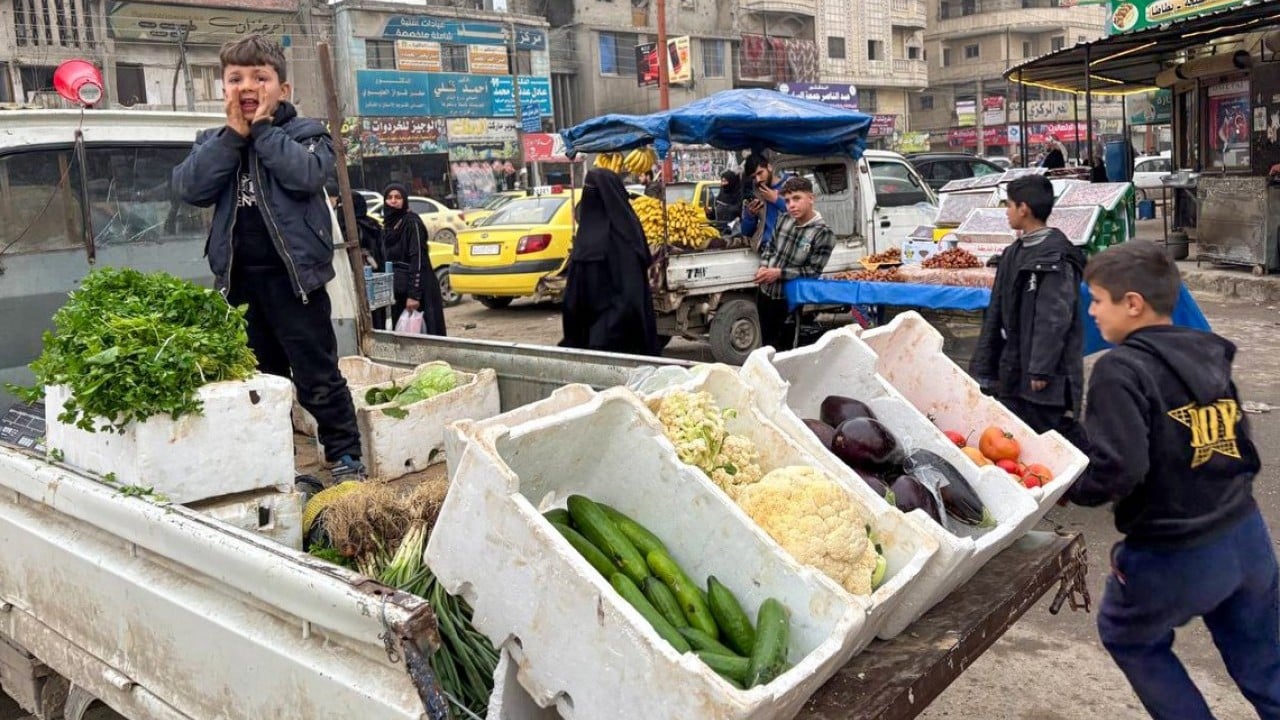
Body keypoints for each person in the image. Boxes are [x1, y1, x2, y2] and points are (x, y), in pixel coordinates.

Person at [1067, 241, 1280, 719]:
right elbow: (1237, 436)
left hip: (1176, 550)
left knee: (1128, 635)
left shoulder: (1119, 369)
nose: (1093, 311)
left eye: (1098, 299)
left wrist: (1065, 486)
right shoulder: (1208, 351)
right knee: (1265, 670)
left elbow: (1119, 467)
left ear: (1133, 304)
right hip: (1247, 537)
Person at [173, 34, 365, 481]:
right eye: (235, 78)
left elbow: (307, 175)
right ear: (222, 88)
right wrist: (234, 138)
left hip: (296, 282)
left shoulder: (306, 134)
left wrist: (261, 132)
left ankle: (345, 456)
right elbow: (189, 189)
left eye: (261, 77)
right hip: (241, 284)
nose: (247, 86)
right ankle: (274, 460)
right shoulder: (212, 141)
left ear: (284, 90)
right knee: (261, 381)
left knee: (318, 376)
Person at [970, 174, 1086, 438]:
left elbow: (1054, 319)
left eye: (1009, 205)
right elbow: (996, 312)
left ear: (1024, 209)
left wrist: (1041, 369)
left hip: (1044, 381)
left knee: (1044, 441)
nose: (1006, 212)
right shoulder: (1014, 252)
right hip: (1014, 370)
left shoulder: (1056, 257)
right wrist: (985, 367)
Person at [560, 168, 659, 355]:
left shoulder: (618, 241)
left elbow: (630, 298)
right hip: (601, 342)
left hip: (620, 343)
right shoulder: (627, 235)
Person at [754, 176, 835, 352]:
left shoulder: (822, 233)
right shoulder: (784, 219)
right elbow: (770, 247)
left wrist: (779, 273)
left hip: (789, 301)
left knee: (784, 351)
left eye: (797, 198)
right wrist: (763, 266)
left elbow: (812, 271)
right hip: (765, 293)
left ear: (811, 198)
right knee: (765, 346)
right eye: (788, 200)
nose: (791, 205)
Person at [380, 183, 447, 336]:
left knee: (426, 335)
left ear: (404, 200)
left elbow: (418, 258)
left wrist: (413, 295)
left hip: (419, 288)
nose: (393, 201)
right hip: (400, 290)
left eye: (398, 197)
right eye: (389, 198)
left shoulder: (412, 222)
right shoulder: (388, 225)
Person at [740, 153, 788, 253]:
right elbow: (746, 232)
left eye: (760, 173)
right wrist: (750, 215)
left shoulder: (790, 186)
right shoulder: (756, 194)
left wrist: (776, 200)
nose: (758, 180)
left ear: (769, 167)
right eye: (754, 177)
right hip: (766, 248)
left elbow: (803, 214)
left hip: (788, 247)